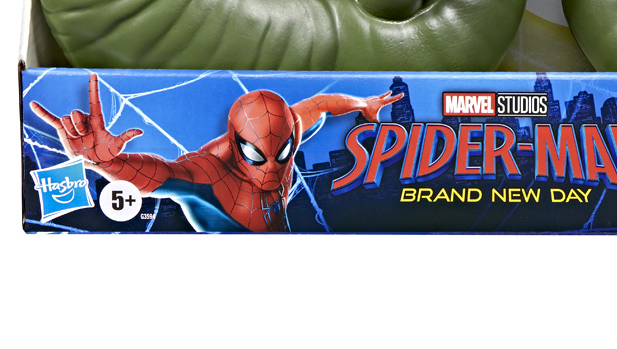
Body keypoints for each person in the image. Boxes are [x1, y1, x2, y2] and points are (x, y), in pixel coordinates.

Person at [31, 73, 401, 232]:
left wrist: (364, 104)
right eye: (257, 156)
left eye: (283, 153)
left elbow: (321, 103)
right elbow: (163, 175)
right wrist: (106, 161)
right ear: (237, 145)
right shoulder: (210, 171)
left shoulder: (289, 125)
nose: (273, 168)